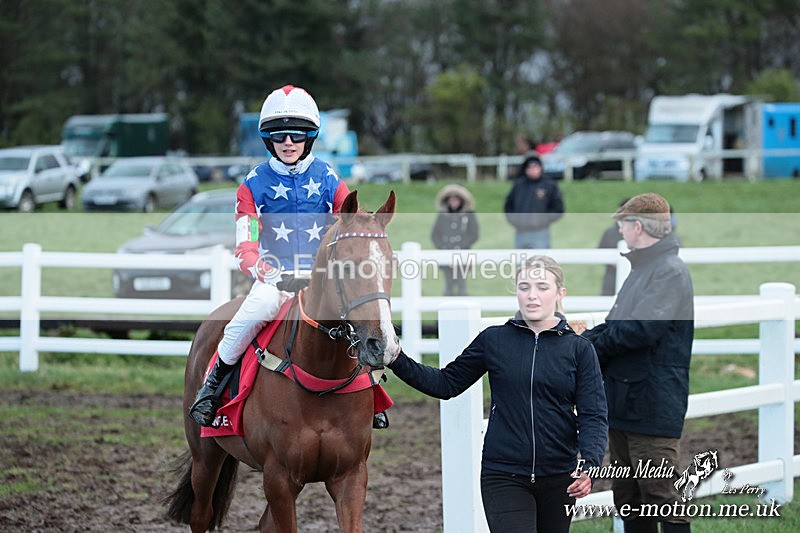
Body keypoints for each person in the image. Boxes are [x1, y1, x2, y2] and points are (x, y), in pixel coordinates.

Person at [388, 255, 608, 532]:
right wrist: (396, 358)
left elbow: (594, 414)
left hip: (560, 476)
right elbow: (446, 383)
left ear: (560, 293)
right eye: (524, 286)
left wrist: (590, 464)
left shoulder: (579, 349)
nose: (532, 296)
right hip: (503, 474)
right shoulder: (494, 340)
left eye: (542, 287)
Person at [188, 84, 356, 427]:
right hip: (274, 279)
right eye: (280, 136)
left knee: (361, 312)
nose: (289, 143)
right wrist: (273, 275)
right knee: (253, 311)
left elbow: (350, 230)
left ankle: (374, 396)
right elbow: (245, 249)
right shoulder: (251, 186)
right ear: (269, 140)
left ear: (309, 137)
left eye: (297, 135)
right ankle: (211, 390)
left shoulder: (329, 178)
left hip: (321, 279)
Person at [581, 193, 694, 533]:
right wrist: (584, 342)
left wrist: (586, 346)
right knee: (628, 496)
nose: (620, 231)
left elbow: (639, 330)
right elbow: (618, 324)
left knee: (660, 495)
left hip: (653, 403)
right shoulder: (645, 269)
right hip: (627, 400)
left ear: (639, 226)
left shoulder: (669, 272)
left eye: (623, 224)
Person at [504, 155, 565, 249]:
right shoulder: (519, 185)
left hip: (540, 231)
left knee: (541, 261)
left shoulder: (549, 185)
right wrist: (515, 220)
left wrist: (543, 221)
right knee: (520, 261)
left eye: (535, 167)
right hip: (521, 231)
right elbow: (508, 205)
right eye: (530, 168)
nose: (533, 170)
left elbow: (558, 208)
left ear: (540, 168)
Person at [430, 183, 479, 296]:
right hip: (446, 254)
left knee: (462, 284)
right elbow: (435, 234)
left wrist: (462, 245)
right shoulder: (442, 215)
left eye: (456, 200)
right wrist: (442, 246)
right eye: (451, 200)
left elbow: (474, 233)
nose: (453, 203)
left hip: (463, 254)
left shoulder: (468, 215)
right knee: (448, 284)